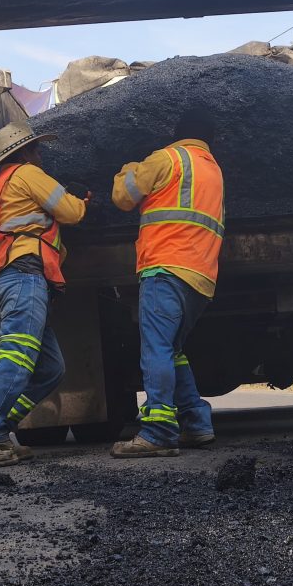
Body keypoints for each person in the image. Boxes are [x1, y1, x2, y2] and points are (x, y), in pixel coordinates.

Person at [0, 122, 89, 471]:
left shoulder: (1, 187)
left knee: (51, 368)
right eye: (36, 149)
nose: (40, 154)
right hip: (23, 277)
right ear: (25, 152)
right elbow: (71, 212)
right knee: (16, 360)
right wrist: (81, 200)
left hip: (9, 280)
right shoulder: (28, 174)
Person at [108, 108, 225, 458]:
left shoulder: (167, 158)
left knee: (156, 348)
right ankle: (196, 423)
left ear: (178, 134)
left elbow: (123, 197)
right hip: (201, 276)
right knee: (172, 350)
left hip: (166, 267)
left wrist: (127, 169)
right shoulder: (213, 169)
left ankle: (158, 431)